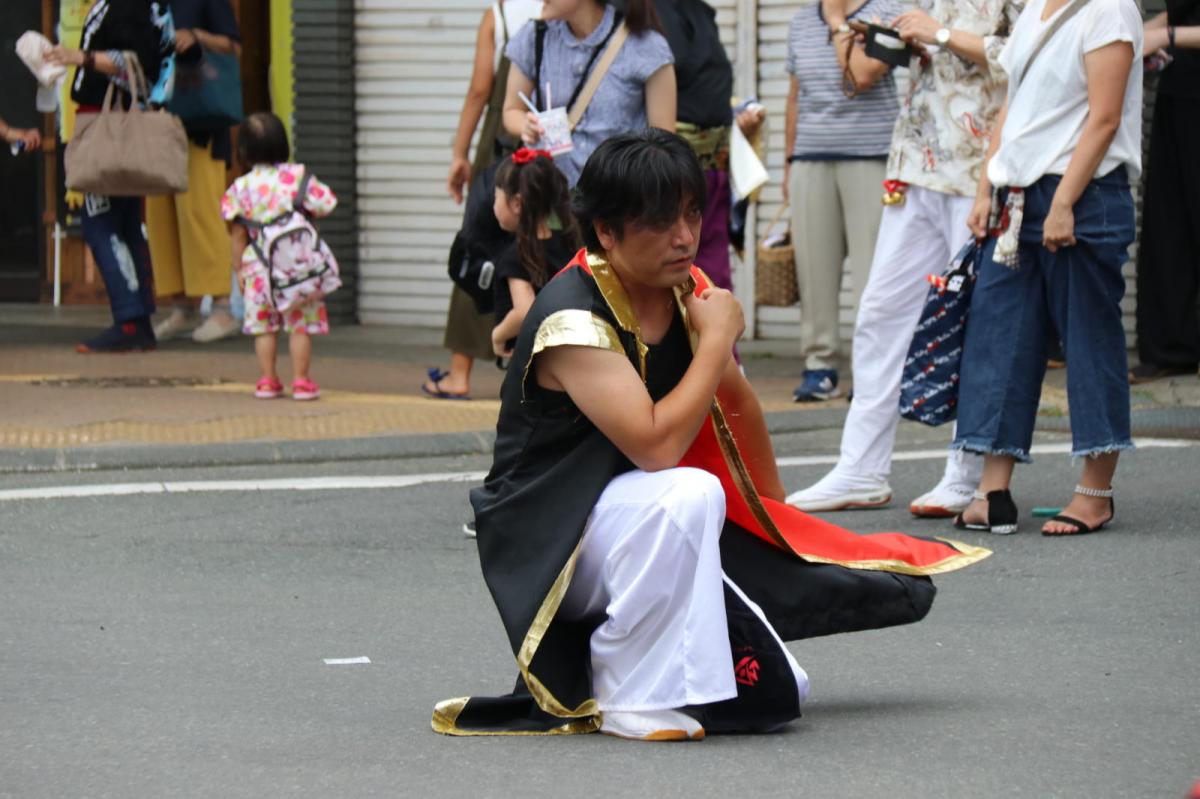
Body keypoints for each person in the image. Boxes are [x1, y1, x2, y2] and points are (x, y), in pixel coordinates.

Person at [433, 130, 988, 740]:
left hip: (628, 522)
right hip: (547, 540)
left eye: (692, 213)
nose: (684, 235)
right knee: (689, 493)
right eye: (659, 221)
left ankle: (656, 677)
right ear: (606, 232)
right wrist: (719, 337)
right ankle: (626, 691)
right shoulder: (573, 316)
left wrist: (774, 520)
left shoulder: (682, 288)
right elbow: (655, 446)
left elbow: (736, 402)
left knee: (779, 687)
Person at [787, 0, 1023, 515]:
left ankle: (964, 474)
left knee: (975, 326)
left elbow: (1030, 56)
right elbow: (874, 69)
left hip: (981, 171)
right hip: (915, 164)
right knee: (879, 314)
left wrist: (940, 35)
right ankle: (861, 469)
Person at [953, 0, 1142, 535]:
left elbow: (1104, 118)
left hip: (1081, 194)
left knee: (1089, 341)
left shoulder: (1109, 9)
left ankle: (1095, 493)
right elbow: (1014, 108)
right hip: (1016, 198)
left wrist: (1065, 203)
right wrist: (986, 186)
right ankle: (993, 493)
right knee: (999, 339)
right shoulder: (1036, 7)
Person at [425, 0, 543, 400]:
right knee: (544, 247)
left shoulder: (499, 14)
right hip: (547, 142)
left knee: (479, 247)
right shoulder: (570, 16)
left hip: (502, 143)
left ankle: (459, 374)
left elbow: (480, 88)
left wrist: (459, 153)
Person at [783, 0, 901, 401]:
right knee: (814, 271)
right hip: (811, 158)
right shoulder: (800, 22)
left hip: (871, 157)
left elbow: (864, 74)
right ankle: (820, 366)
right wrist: (789, 163)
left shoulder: (887, 11)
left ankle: (873, 369)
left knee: (874, 273)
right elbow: (795, 96)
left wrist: (836, 22)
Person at [47, 0, 175, 353]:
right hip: (125, 127)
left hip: (106, 128)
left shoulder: (122, 4)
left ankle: (130, 320)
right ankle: (139, 320)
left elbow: (132, 57)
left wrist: (81, 58)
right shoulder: (149, 5)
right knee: (128, 224)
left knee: (100, 222)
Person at [221, 112, 338, 401]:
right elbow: (327, 203)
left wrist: (238, 269)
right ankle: (301, 381)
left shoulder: (240, 187)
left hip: (258, 268)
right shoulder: (297, 178)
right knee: (300, 324)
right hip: (297, 267)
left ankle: (268, 380)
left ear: (244, 151)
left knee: (264, 327)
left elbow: (237, 234)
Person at [649, 0, 764, 291]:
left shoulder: (701, 11)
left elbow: (709, 87)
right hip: (670, 167)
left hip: (713, 167)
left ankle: (719, 335)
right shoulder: (643, 11)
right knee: (671, 263)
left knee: (713, 268)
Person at [502, 0, 677, 188]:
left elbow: (663, 143)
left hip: (616, 201)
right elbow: (512, 110)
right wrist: (526, 126)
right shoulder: (534, 36)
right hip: (550, 196)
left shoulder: (647, 47)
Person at [148, 0, 242, 344]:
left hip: (201, 121)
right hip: (159, 120)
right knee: (161, 218)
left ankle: (222, 308)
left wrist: (196, 35)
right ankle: (181, 307)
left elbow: (233, 46)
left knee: (200, 213)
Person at [1130, 7, 1200, 384]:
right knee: (1167, 226)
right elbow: (1183, 10)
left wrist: (1169, 36)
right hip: (1180, 92)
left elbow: (1176, 25)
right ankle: (1173, 348)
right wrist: (1133, 34)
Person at [489, 148, 582, 357]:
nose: (494, 204)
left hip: (534, 359)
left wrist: (497, 336)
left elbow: (524, 312)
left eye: (496, 197)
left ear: (516, 204)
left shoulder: (516, 255)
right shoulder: (568, 242)